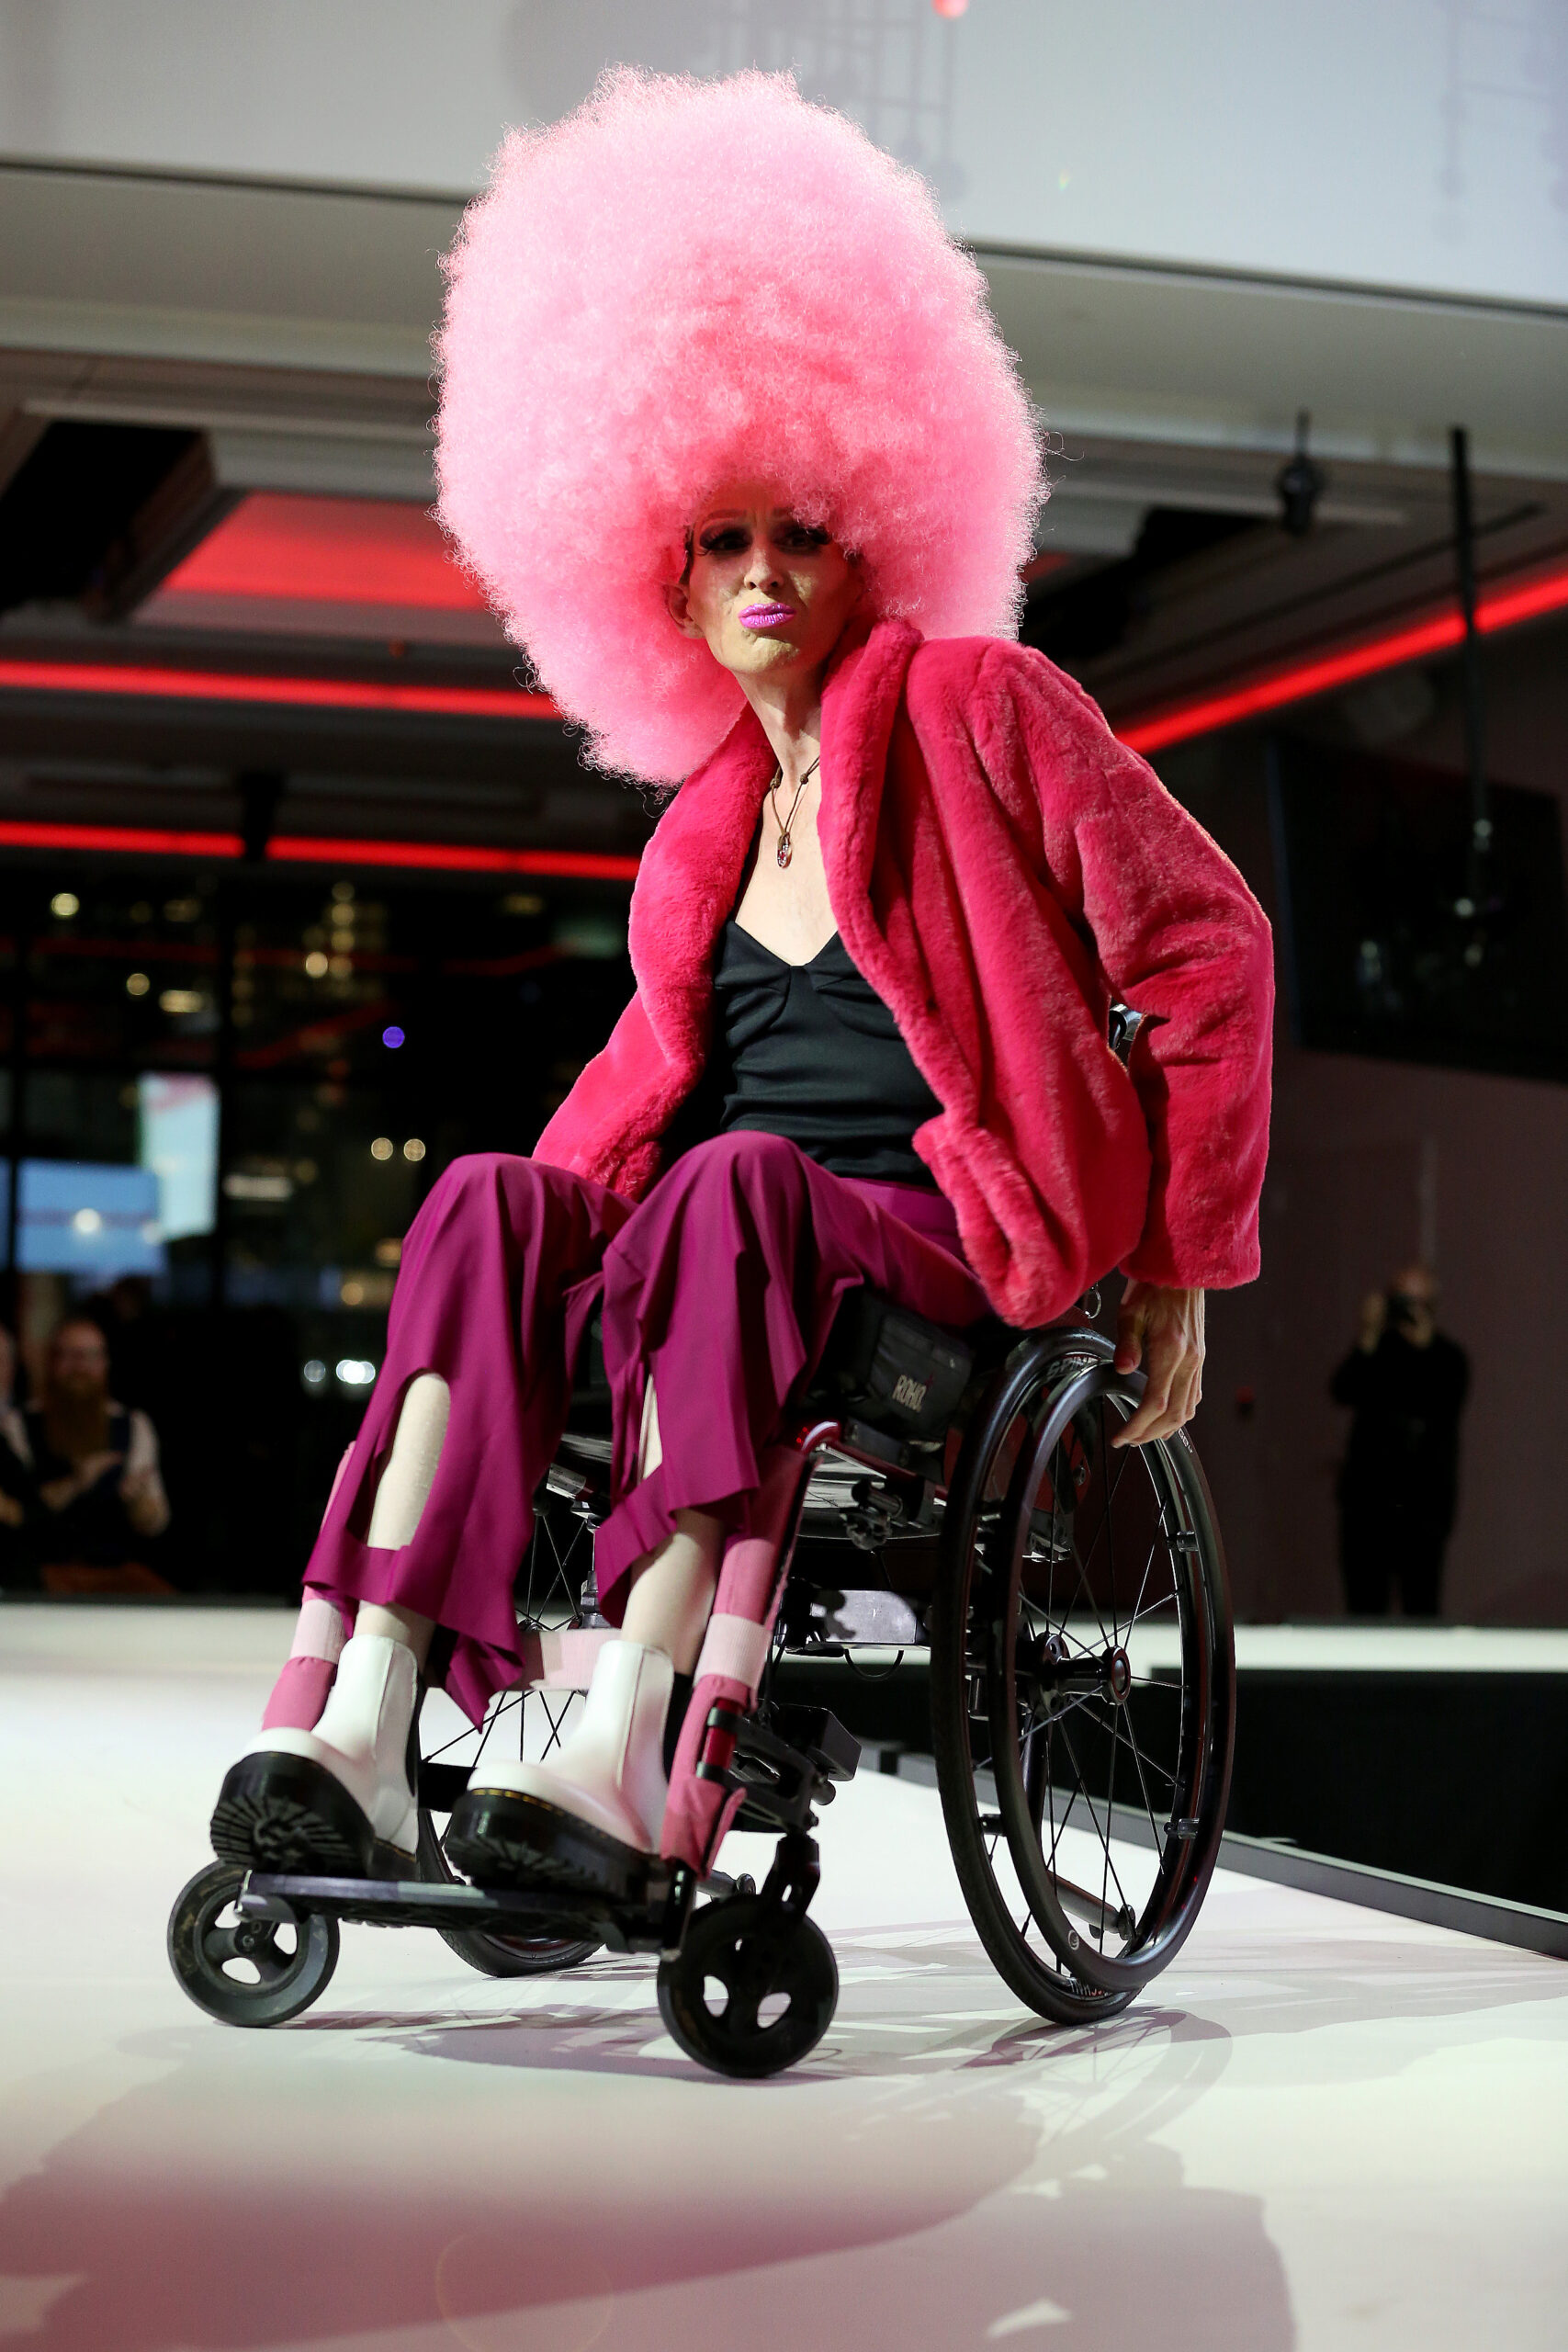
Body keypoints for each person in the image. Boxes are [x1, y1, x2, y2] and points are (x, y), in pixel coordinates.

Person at [210, 69, 1273, 1891]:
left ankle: (645, 1741)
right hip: (724, 1232)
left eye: (801, 527)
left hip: (939, 1239)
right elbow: (634, 1090)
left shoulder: (980, 707)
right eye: (723, 538)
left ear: (872, 525)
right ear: (659, 570)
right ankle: (365, 1709)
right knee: (483, 1197)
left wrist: (1173, 1259)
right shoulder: (699, 826)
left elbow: (1205, 946)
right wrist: (533, 1234)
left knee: (731, 1187)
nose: (765, 568)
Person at [1331, 1264, 1469, 1618]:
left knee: (1421, 1609)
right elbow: (1342, 1389)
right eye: (1398, 1299)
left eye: (1415, 1300)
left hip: (1423, 1509)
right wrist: (1368, 1335)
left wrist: (1425, 1349)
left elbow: (1447, 1401)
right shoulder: (1377, 1352)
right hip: (1367, 1507)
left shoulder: (1448, 1358)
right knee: (1364, 1609)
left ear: (1432, 1306)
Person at [26, 1316, 173, 1596]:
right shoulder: (19, 1424)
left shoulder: (132, 1424)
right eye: (70, 1356)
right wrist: (77, 1482)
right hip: (43, 1575)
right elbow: (17, 1513)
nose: (81, 1367)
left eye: (91, 1356)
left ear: (105, 1364)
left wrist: (138, 1502)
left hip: (114, 1575)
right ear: (52, 1362)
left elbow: (155, 1521)